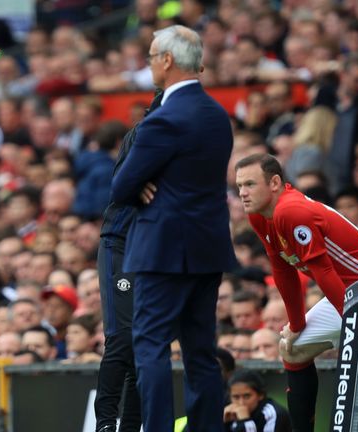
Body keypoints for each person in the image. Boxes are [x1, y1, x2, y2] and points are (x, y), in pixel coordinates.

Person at [109, 25, 238, 431]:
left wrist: (145, 183)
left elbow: (122, 185)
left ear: (167, 60)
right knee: (201, 352)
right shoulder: (218, 114)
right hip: (207, 249)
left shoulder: (164, 119)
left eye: (150, 57)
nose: (148, 64)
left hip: (163, 250)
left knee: (150, 347)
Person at [235, 153, 358, 431]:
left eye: (250, 184)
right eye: (239, 186)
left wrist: (353, 324)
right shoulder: (260, 216)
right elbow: (283, 270)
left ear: (274, 182)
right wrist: (296, 324)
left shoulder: (290, 210)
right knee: (293, 348)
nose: (243, 193)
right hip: (346, 292)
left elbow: (324, 272)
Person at [94, 89, 162, 432]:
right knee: (122, 336)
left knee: (145, 344)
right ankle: (105, 423)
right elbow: (122, 185)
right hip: (120, 243)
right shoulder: (144, 132)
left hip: (154, 252)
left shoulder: (187, 148)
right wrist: (138, 184)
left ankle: (131, 427)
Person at [223, 369, 292, 432]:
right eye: (236, 397)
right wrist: (223, 423)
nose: (241, 403)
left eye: (247, 396)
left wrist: (245, 421)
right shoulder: (229, 412)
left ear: (260, 395)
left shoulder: (273, 414)